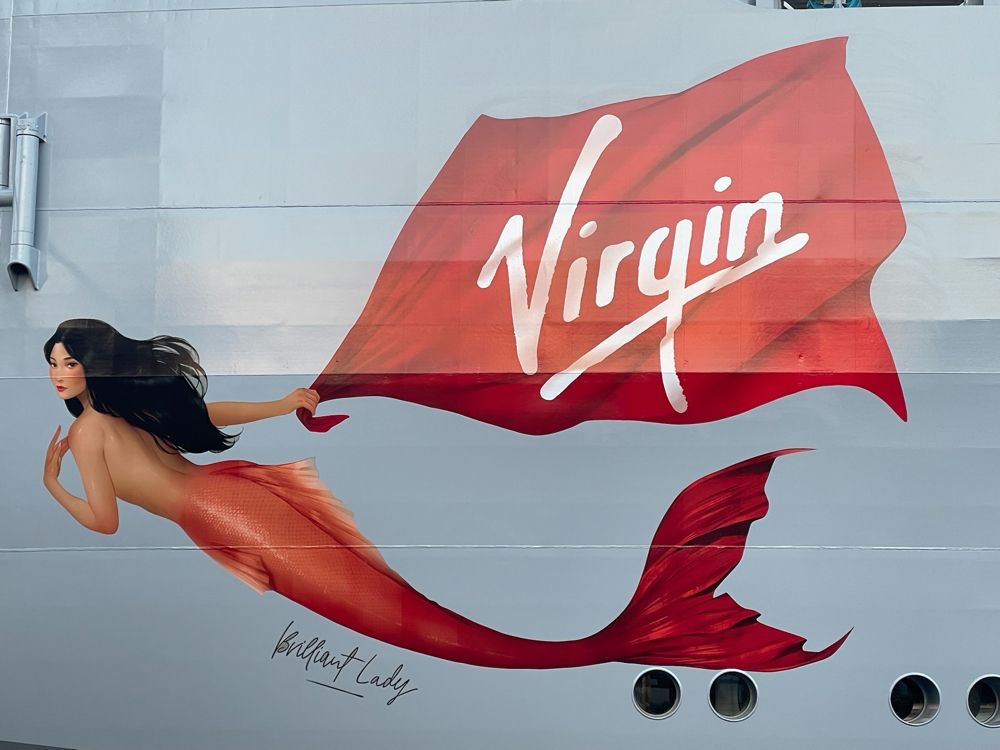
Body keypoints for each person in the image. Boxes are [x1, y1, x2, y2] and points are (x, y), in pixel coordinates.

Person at [41, 319, 845, 670]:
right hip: (232, 498)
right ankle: (625, 636)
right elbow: (200, 416)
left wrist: (54, 485)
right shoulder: (117, 416)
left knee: (392, 613)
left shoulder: (89, 432)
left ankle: (621, 639)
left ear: (91, 368)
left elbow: (105, 521)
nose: (57, 375)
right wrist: (283, 403)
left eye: (66, 362)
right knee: (391, 604)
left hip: (221, 515)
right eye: (53, 364)